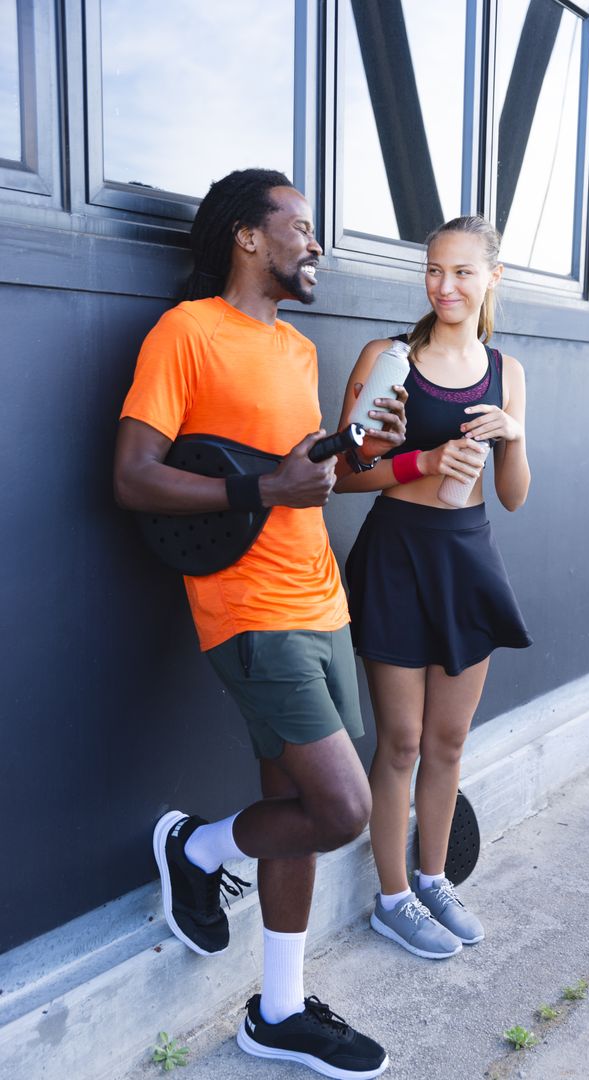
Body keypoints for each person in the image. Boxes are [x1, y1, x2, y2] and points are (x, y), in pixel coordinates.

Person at [114, 168, 406, 1079]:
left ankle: (278, 1010)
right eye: (301, 226)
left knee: (295, 808)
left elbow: (302, 476)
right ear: (249, 237)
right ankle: (194, 846)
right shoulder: (186, 333)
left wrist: (365, 453)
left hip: (321, 599)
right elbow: (132, 475)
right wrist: (262, 486)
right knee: (342, 809)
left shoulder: (297, 352)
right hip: (250, 611)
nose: (315, 243)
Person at [335, 214, 532, 960]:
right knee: (403, 742)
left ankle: (433, 876)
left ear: (492, 279)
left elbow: (513, 496)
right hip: (397, 555)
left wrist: (512, 436)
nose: (445, 286)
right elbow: (342, 473)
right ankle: (391, 899)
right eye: (433, 271)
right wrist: (426, 460)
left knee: (448, 740)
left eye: (461, 272)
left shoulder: (507, 372)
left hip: (467, 555)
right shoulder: (388, 358)